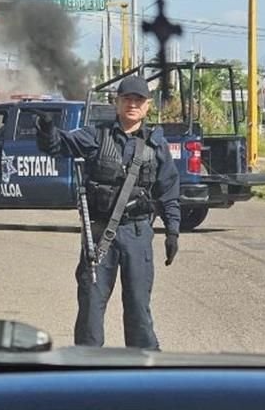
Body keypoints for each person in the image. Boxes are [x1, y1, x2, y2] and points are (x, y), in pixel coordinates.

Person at [36, 74, 180, 350]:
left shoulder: (156, 145)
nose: (132, 104)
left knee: (138, 305)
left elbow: (169, 190)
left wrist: (173, 232)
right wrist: (46, 128)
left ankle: (144, 364)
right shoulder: (96, 136)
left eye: (138, 100)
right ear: (117, 102)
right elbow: (57, 145)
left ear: (148, 106)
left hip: (138, 234)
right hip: (100, 235)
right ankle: (87, 366)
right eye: (127, 99)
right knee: (91, 304)